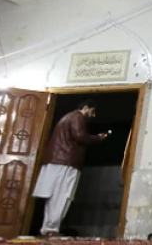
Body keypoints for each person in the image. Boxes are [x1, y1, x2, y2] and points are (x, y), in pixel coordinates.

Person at [32, 99, 107, 237]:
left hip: (57, 160)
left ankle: (47, 228)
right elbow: (79, 135)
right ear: (85, 108)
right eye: (92, 112)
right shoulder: (77, 117)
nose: (93, 115)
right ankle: (52, 229)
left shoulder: (67, 117)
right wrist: (97, 138)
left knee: (54, 196)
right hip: (67, 160)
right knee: (63, 195)